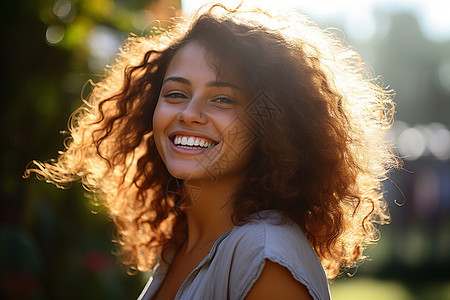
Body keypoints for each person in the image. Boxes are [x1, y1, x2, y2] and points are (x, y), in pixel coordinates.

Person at [25, 3, 398, 299]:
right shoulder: (180, 247)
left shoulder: (265, 256)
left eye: (222, 99)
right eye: (176, 94)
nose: (189, 114)